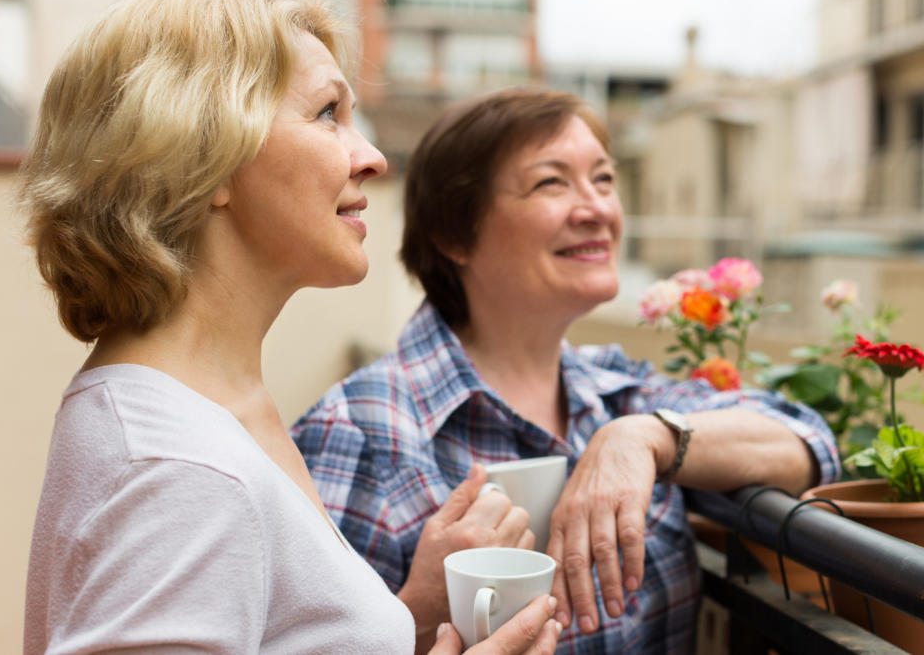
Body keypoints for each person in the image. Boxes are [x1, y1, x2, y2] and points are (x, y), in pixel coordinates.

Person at [20, 0, 560, 654]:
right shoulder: (181, 468)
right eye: (328, 113)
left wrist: (409, 614)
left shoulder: (201, 404)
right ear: (202, 154)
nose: (372, 156)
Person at [292, 87, 841, 653]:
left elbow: (810, 441)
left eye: (603, 180)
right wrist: (420, 612)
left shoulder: (618, 392)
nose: (597, 209)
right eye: (551, 183)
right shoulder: (355, 431)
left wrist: (647, 438)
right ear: (454, 234)